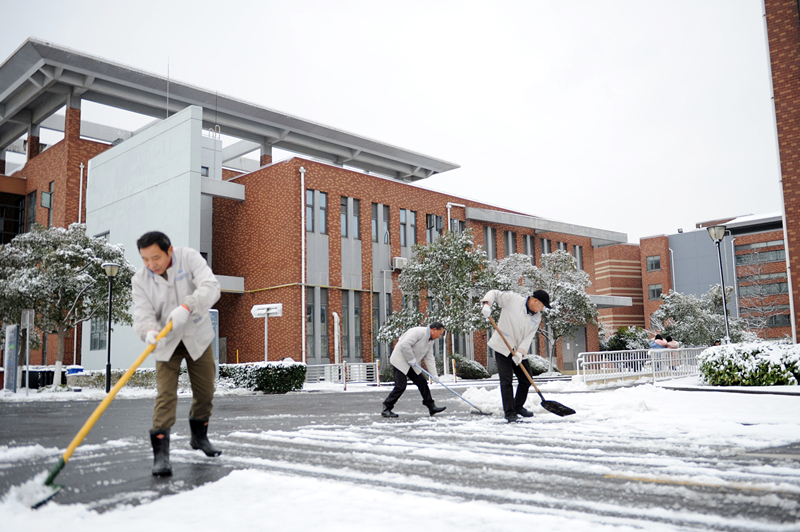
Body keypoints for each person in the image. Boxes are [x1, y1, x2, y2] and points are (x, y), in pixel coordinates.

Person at [132, 231, 222, 476]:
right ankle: (161, 456)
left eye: (156, 258)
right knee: (166, 395)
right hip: (166, 341)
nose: (151, 264)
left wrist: (188, 306)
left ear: (169, 251)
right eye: (145, 259)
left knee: (205, 392)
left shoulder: (188, 258)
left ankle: (199, 437)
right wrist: (148, 331)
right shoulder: (140, 280)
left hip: (197, 336)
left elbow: (211, 287)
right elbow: (142, 313)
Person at [481, 289, 550, 423]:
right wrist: (487, 304)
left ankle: (518, 406)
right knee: (506, 380)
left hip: (518, 350)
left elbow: (528, 337)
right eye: (542, 306)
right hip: (502, 346)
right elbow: (494, 293)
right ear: (535, 301)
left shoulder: (537, 317)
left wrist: (520, 352)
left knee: (526, 379)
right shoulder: (512, 299)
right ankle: (510, 412)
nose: (542, 309)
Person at [381, 323, 447, 418]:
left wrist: (434, 375)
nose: (439, 336)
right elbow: (405, 344)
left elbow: (429, 358)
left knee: (422, 382)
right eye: (440, 333)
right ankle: (386, 408)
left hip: (411, 363)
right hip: (400, 361)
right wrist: (411, 358)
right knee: (400, 386)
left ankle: (431, 406)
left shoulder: (430, 341)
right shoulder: (418, 332)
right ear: (434, 330)